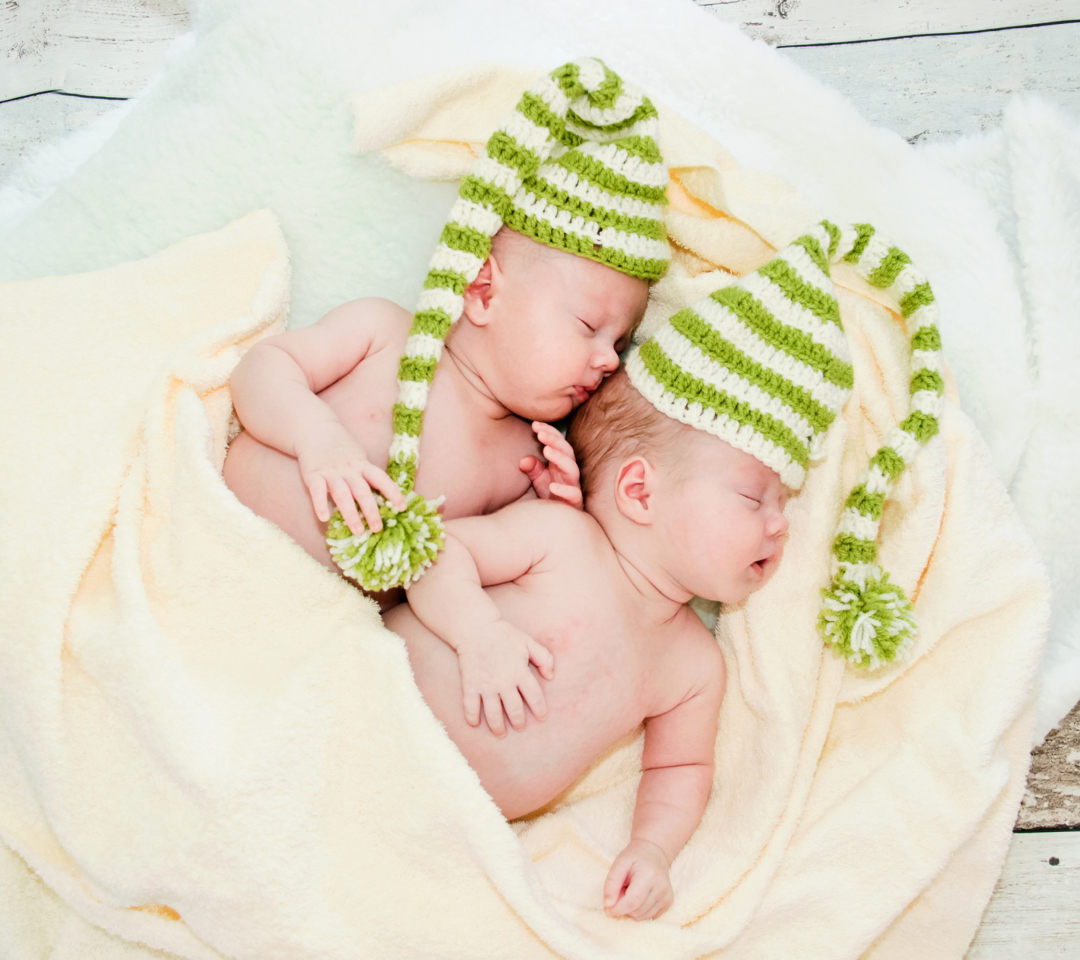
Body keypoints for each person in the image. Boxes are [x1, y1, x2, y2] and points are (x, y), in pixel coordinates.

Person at [386, 217, 945, 920]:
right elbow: (429, 550)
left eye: (784, 502)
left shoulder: (692, 665)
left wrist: (652, 850)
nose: (778, 523)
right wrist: (477, 636)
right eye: (752, 495)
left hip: (438, 826)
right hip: (366, 705)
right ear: (640, 491)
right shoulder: (561, 539)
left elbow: (679, 770)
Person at [222, 58, 670, 618]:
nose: (607, 359)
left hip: (323, 632)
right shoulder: (383, 332)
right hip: (223, 542)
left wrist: (557, 510)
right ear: (483, 291)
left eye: (620, 344)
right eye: (587, 327)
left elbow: (483, 576)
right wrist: (316, 435)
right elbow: (260, 371)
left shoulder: (523, 461)